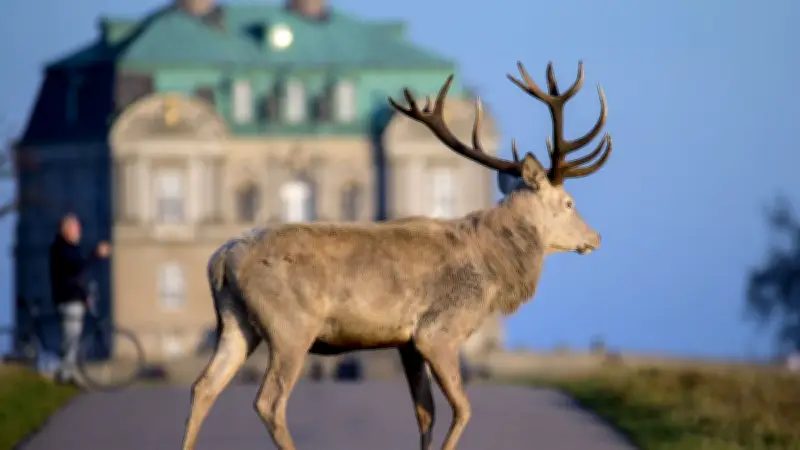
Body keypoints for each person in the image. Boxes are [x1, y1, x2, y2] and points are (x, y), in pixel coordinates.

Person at [48, 213, 111, 384]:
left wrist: (84, 297)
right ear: (66, 230)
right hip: (68, 300)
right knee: (71, 338)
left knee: (72, 338)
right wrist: (95, 254)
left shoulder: (67, 248)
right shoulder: (62, 248)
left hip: (72, 298)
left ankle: (67, 373)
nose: (79, 231)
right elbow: (75, 270)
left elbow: (75, 275)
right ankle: (65, 375)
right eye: (76, 228)